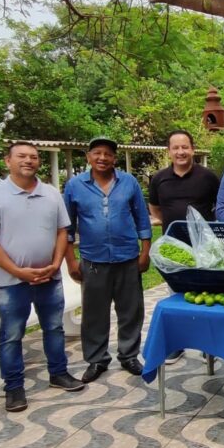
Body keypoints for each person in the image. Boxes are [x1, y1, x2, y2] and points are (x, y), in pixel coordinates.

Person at [0, 141, 85, 412]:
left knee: (54, 327)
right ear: (7, 161)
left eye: (34, 157)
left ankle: (58, 373)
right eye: (21, 156)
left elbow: (62, 232)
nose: (29, 161)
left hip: (49, 276)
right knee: (11, 334)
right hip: (11, 281)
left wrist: (56, 262)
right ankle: (14, 387)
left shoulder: (50, 193)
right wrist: (17, 271)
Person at [64, 137, 153, 382]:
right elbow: (67, 228)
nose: (102, 158)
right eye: (97, 153)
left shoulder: (129, 182)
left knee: (131, 310)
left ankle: (129, 355)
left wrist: (145, 252)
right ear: (88, 157)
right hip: (93, 260)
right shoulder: (75, 186)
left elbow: (142, 220)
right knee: (94, 313)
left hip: (127, 258)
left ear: (114, 158)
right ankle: (97, 359)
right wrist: (71, 261)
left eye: (108, 154)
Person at [148, 130, 219, 365]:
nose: (180, 152)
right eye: (175, 148)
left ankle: (209, 345)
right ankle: (177, 345)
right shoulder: (159, 179)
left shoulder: (208, 177)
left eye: (185, 147)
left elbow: (219, 205)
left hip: (204, 249)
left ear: (192, 149)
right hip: (174, 249)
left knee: (207, 297)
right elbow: (155, 209)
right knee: (176, 297)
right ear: (169, 151)